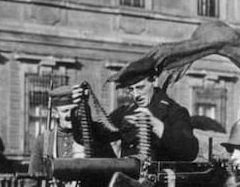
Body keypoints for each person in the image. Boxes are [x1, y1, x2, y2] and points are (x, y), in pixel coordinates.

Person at [71, 56, 199, 162]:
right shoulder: (125, 112)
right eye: (131, 90)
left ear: (154, 81)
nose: (136, 95)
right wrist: (81, 109)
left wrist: (157, 126)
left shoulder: (174, 112)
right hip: (127, 184)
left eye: (140, 87)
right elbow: (91, 137)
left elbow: (189, 151)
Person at [24, 85, 90, 187]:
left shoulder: (88, 139)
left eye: (74, 110)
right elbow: (32, 184)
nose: (70, 115)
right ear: (55, 113)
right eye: (65, 111)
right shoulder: (44, 141)